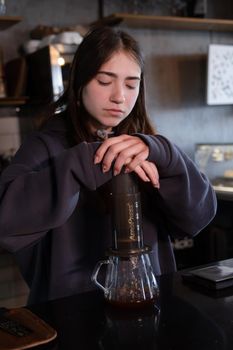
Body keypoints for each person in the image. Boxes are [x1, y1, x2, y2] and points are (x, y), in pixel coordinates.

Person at [0, 26, 216, 305]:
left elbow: (199, 218)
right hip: (71, 315)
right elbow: (5, 223)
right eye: (105, 81)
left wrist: (166, 153)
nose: (119, 97)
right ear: (79, 84)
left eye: (131, 84)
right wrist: (85, 161)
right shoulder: (45, 146)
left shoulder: (148, 148)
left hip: (149, 304)